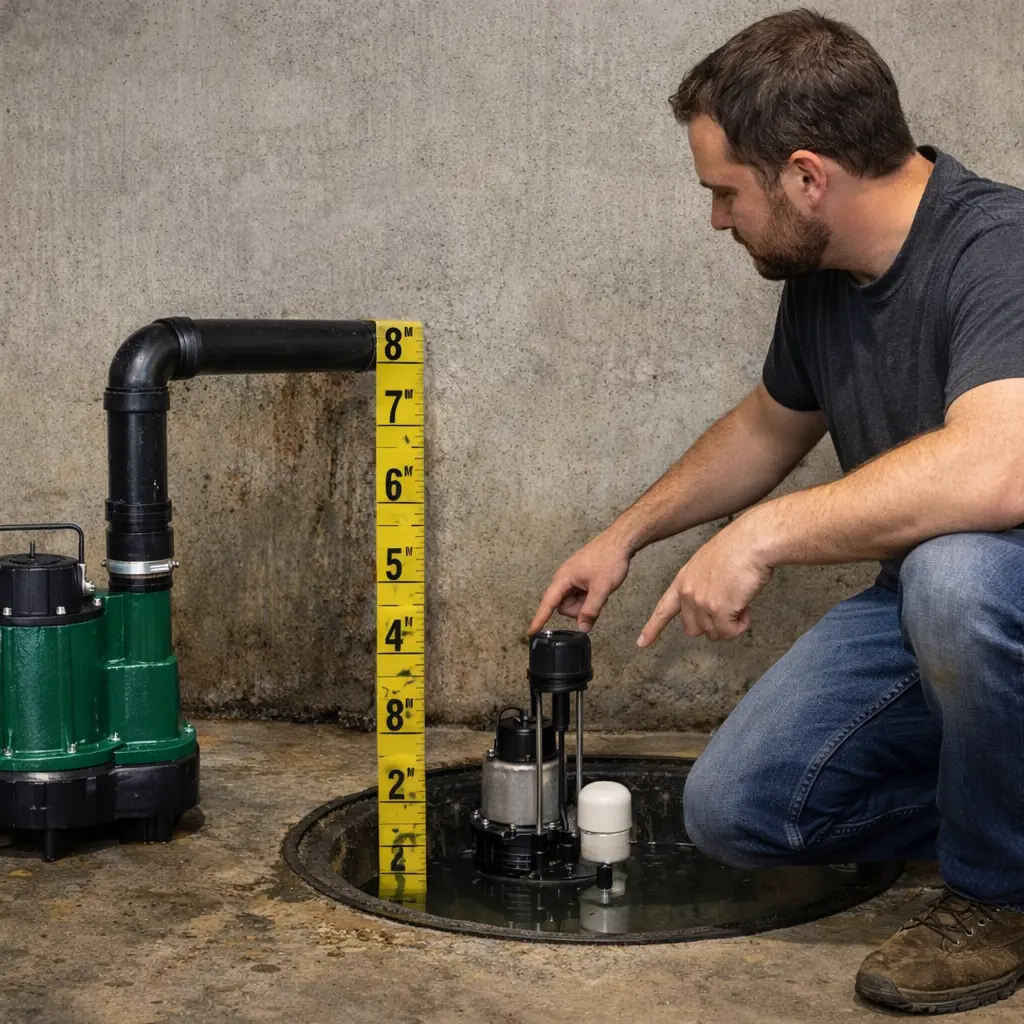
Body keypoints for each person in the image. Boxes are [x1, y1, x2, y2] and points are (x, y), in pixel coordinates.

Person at [528, 8, 1024, 1015]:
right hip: (929, 609)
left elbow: (998, 470)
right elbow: (765, 428)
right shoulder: (824, 277)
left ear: (805, 176)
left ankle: (997, 894)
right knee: (737, 811)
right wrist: (622, 538)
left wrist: (757, 536)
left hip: (979, 588)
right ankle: (999, 808)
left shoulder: (998, 247)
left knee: (954, 572)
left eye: (724, 191)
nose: (716, 219)